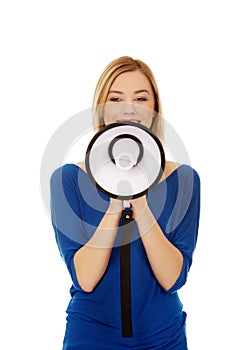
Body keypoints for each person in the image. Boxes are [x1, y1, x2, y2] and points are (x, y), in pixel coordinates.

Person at [50, 56, 200, 349]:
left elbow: (173, 279)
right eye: (116, 98)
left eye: (141, 98)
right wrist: (116, 200)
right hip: (90, 337)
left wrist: (140, 203)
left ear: (154, 108)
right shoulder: (67, 179)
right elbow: (86, 278)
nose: (129, 108)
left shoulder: (184, 180)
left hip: (164, 338)